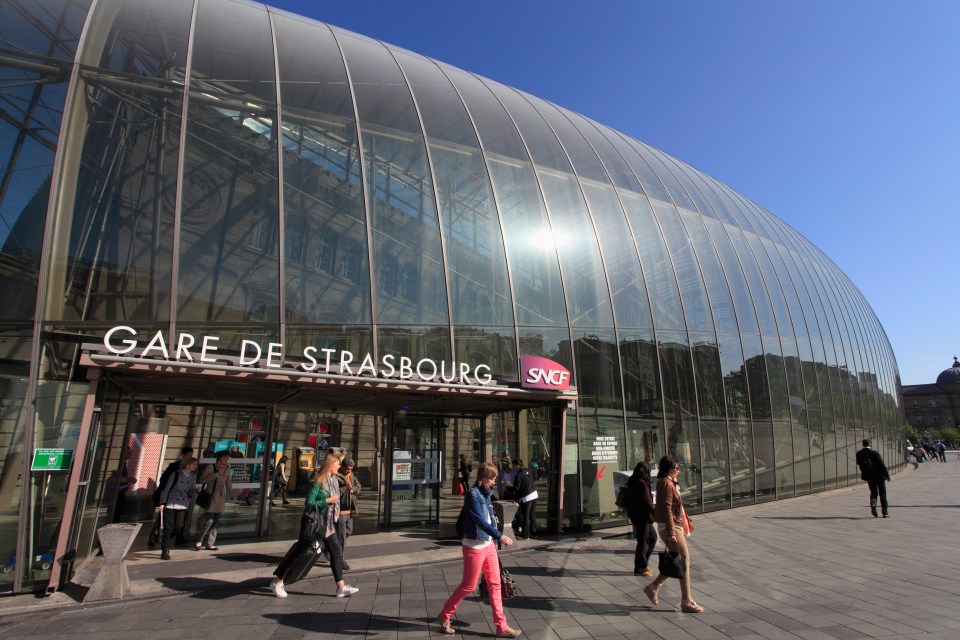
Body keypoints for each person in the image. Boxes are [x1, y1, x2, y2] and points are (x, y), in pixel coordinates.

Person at [438, 461, 521, 638]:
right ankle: (445, 615)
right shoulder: (472, 495)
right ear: (483, 478)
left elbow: (490, 518)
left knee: (495, 584)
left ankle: (501, 626)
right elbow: (479, 521)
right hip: (474, 546)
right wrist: (500, 535)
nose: (494, 482)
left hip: (488, 546)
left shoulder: (487, 493)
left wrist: (494, 539)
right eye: (492, 479)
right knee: (469, 586)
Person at [271, 453, 359, 598]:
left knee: (336, 553)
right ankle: (277, 580)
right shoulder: (318, 482)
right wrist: (327, 501)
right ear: (330, 465)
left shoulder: (333, 481)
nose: (339, 466)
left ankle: (340, 587)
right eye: (337, 464)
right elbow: (309, 503)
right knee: (299, 553)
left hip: (328, 524)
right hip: (315, 523)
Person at [643, 455, 703, 614]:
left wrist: (685, 519)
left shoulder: (667, 482)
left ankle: (654, 587)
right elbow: (668, 510)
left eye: (678, 468)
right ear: (668, 468)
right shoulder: (666, 483)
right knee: (684, 560)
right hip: (671, 527)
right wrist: (672, 534)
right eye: (676, 468)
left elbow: (675, 507)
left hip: (673, 525)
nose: (678, 471)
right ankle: (686, 600)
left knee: (679, 560)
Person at [157, 456, 198, 560]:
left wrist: (196, 491)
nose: (195, 466)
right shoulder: (176, 474)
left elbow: (191, 490)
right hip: (171, 501)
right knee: (168, 527)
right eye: (194, 464)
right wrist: (162, 502)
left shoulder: (193, 476)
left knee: (178, 526)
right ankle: (165, 550)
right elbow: (167, 489)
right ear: (187, 465)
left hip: (182, 503)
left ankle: (167, 540)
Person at [195, 450, 234, 550]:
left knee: (216, 522)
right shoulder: (211, 467)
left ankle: (210, 543)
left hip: (220, 497)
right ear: (219, 458)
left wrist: (231, 494)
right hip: (211, 496)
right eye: (224, 458)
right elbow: (201, 480)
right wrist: (213, 476)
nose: (226, 460)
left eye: (227, 458)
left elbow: (228, 482)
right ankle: (199, 539)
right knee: (209, 520)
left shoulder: (227, 468)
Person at [627, 460, 658, 577]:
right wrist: (657, 513)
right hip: (642, 516)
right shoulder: (641, 484)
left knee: (651, 538)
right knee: (644, 541)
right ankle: (640, 567)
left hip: (636, 515)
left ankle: (643, 563)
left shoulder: (632, 481)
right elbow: (648, 502)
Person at [336, 456, 361, 571]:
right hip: (340, 510)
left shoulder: (351, 475)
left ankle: (331, 546)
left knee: (348, 531)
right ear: (343, 467)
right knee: (342, 538)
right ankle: (340, 560)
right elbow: (335, 492)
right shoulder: (336, 476)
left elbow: (358, 486)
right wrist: (346, 488)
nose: (350, 471)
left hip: (349, 510)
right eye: (348, 469)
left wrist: (352, 489)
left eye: (351, 469)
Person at [855, 439, 890, 518]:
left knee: (873, 492)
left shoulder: (859, 453)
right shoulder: (875, 453)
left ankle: (873, 502)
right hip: (879, 476)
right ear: (870, 444)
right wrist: (887, 475)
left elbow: (858, 463)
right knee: (882, 494)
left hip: (869, 476)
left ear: (862, 445)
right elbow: (881, 464)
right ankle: (885, 512)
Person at [512, 459, 538, 539]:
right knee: (532, 514)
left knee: (525, 516)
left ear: (517, 465)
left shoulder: (519, 475)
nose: (513, 468)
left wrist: (510, 486)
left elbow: (516, 488)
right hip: (534, 494)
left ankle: (525, 535)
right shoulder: (528, 470)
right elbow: (532, 479)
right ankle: (534, 533)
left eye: (513, 466)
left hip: (527, 496)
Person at [111, 446, 137, 523]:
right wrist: (130, 479)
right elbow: (119, 478)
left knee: (118, 512)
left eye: (131, 452)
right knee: (116, 513)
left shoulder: (123, 464)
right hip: (118, 493)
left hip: (121, 493)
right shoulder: (120, 464)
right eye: (128, 453)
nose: (130, 454)